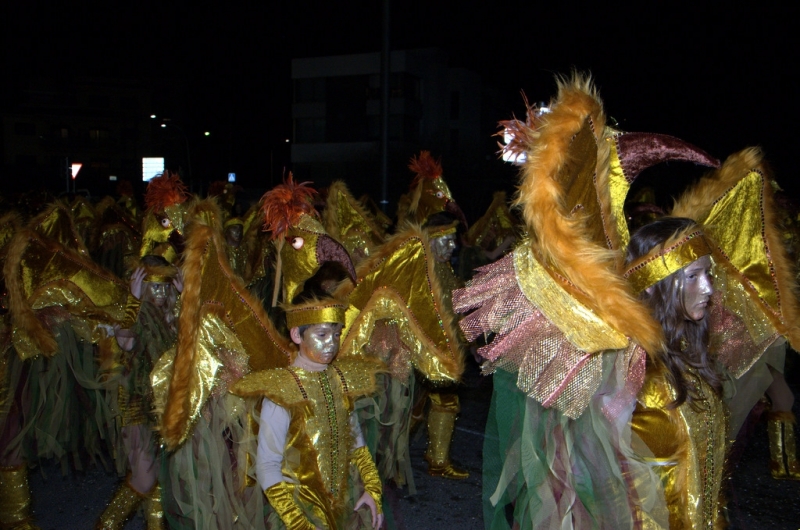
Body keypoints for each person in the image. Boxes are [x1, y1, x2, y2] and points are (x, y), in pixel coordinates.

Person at [231, 297, 384, 530]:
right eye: (321, 335)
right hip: (299, 508)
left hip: (344, 503)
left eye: (335, 335)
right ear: (296, 335)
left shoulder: (341, 380)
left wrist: (373, 489)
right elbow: (267, 465)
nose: (331, 344)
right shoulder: (283, 393)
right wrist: (298, 523)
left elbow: (357, 445)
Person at [624, 218, 728, 528]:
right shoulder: (629, 364)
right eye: (693, 276)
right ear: (656, 281)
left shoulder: (688, 350)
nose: (708, 287)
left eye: (708, 273)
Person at [96, 255, 182, 530]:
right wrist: (133, 300)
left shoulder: (172, 315)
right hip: (137, 405)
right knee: (145, 478)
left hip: (168, 404)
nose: (159, 293)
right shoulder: (134, 315)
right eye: (153, 286)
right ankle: (108, 524)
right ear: (141, 286)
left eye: (164, 287)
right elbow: (127, 340)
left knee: (165, 474)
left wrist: (184, 297)